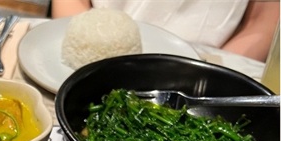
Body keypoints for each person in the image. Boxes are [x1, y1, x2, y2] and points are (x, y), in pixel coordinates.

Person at [51, 0, 280, 61]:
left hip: (206, 59)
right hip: (91, 41)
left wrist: (207, 73)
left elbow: (265, 18)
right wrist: (81, 37)